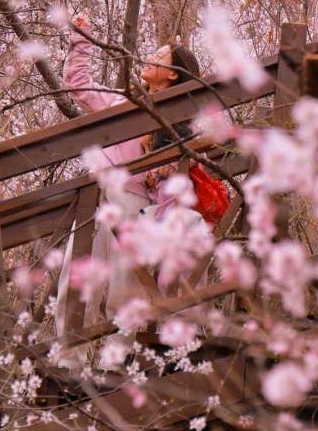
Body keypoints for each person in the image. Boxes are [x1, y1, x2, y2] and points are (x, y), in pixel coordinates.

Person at [53, 18, 210, 344]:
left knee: (127, 281)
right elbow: (79, 85)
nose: (150, 56)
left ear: (172, 73)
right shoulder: (120, 101)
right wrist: (81, 40)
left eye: (160, 55)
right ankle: (69, 360)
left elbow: (187, 158)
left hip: (136, 200)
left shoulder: (181, 117)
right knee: (76, 275)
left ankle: (118, 358)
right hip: (95, 198)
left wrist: (162, 169)